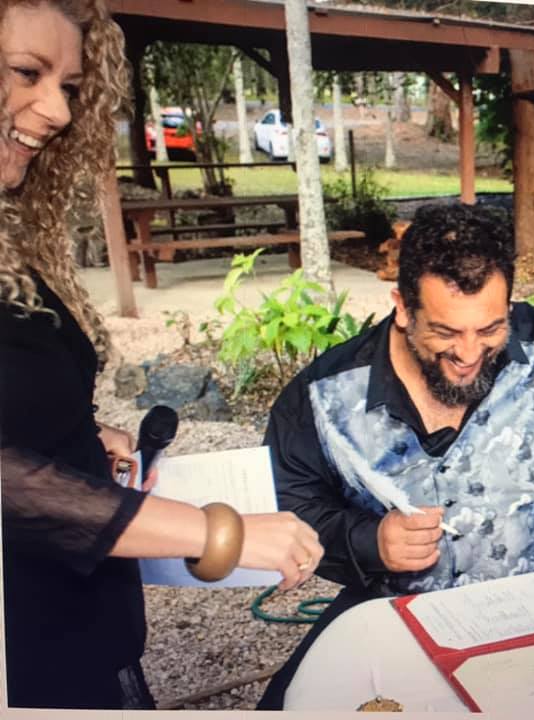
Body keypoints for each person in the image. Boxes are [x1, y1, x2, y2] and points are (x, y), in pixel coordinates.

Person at [0, 0, 323, 709]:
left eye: (72, 88)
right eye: (27, 72)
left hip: (88, 626)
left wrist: (80, 440)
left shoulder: (12, 239)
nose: (54, 110)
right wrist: (221, 532)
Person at [259, 202, 534, 707]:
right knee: (287, 705)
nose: (467, 354)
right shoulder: (322, 397)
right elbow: (288, 506)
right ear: (401, 305)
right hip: (394, 624)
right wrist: (368, 541)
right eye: (444, 332)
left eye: (490, 329)